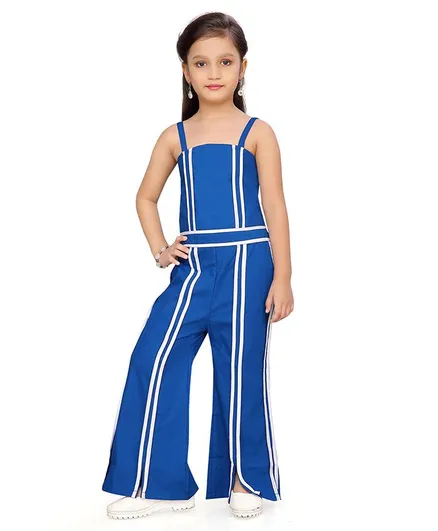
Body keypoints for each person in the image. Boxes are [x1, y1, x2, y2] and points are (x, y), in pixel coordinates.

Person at [102, 11, 294, 520]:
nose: (214, 72)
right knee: (153, 359)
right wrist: (161, 249)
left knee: (240, 371)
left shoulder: (258, 132)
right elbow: (145, 197)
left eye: (225, 62)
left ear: (243, 68)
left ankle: (244, 478)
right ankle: (159, 484)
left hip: (248, 262)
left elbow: (275, 206)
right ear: (185, 71)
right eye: (201, 62)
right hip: (193, 267)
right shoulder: (176, 136)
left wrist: (283, 277)